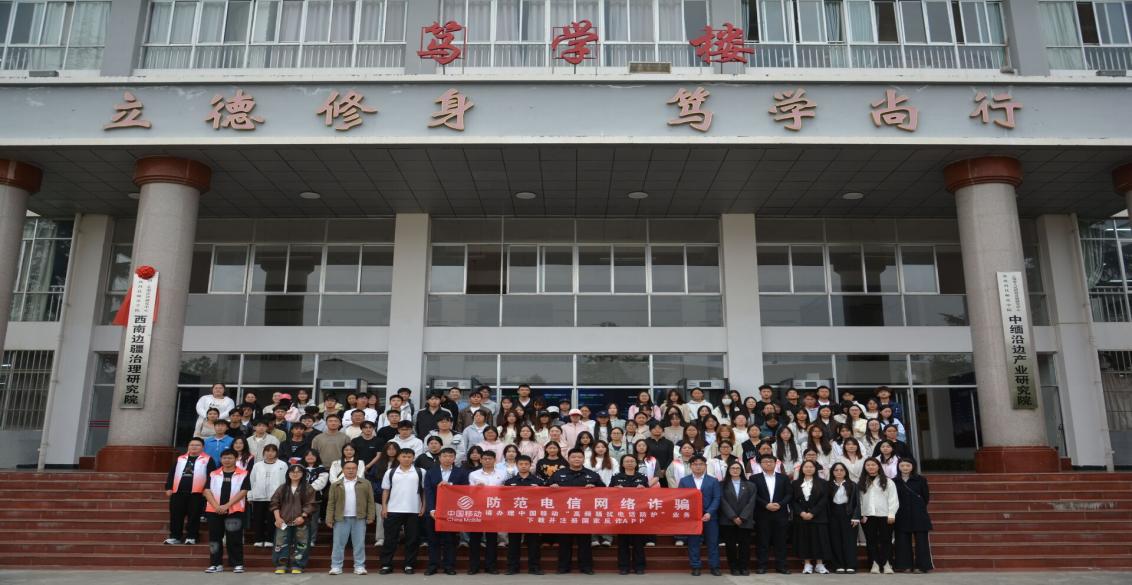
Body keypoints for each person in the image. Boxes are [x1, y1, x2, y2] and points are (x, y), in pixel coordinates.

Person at [548, 448, 605, 574]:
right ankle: (563, 567)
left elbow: (603, 491)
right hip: (564, 514)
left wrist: (595, 487)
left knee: (585, 542)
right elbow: (546, 490)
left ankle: (586, 567)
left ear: (583, 459)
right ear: (568, 459)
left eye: (579, 457)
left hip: (584, 514)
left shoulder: (592, 475)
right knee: (564, 542)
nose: (576, 459)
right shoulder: (558, 474)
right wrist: (552, 487)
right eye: (573, 457)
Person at [202, 449, 249, 574]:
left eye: (230, 458)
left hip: (235, 511)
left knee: (234, 538)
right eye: (224, 458)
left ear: (236, 459)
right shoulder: (213, 474)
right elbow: (206, 491)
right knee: (214, 538)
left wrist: (227, 505)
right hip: (214, 510)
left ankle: (237, 564)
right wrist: (216, 506)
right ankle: (215, 564)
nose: (227, 460)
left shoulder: (244, 474)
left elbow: (244, 491)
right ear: (221, 459)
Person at [379, 448, 425, 575]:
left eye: (409, 456)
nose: (406, 459)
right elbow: (386, 490)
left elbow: (424, 491)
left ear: (413, 458)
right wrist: (384, 507)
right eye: (404, 456)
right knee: (390, 539)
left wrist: (423, 506)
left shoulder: (421, 472)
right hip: (393, 509)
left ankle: (409, 565)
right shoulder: (391, 472)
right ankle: (386, 565)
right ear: (398, 457)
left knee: (412, 539)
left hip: (414, 510)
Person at [326, 460, 376, 575]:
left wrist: (371, 516)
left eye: (353, 468)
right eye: (348, 468)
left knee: (359, 544)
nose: (351, 470)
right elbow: (331, 503)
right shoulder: (336, 485)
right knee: (338, 544)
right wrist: (329, 518)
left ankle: (359, 566)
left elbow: (370, 501)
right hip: (341, 518)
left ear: (357, 470)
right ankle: (336, 566)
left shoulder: (365, 483)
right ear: (343, 470)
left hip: (359, 518)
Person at [424, 447, 469, 575]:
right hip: (434, 511)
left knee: (450, 540)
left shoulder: (461, 472)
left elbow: (465, 490)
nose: (447, 458)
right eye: (444, 456)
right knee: (433, 540)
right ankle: (433, 566)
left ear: (454, 458)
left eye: (450, 456)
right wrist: (431, 509)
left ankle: (449, 566)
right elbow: (428, 491)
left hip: (452, 511)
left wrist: (450, 486)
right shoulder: (431, 472)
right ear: (439, 458)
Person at [164, 437, 216, 545]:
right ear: (188, 446)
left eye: (197, 445)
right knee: (176, 515)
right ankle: (175, 536)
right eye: (192, 445)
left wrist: (207, 489)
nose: (194, 447)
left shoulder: (208, 459)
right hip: (178, 492)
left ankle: (192, 536)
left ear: (202, 447)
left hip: (197, 493)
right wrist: (168, 487)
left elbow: (211, 476)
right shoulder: (180, 458)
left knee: (194, 516)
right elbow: (172, 473)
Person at [679, 455, 722, 576]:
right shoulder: (684, 481)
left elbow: (717, 498)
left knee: (712, 542)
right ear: (690, 466)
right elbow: (681, 498)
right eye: (695, 464)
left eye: (701, 464)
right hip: (692, 517)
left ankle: (714, 566)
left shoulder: (713, 480)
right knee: (693, 542)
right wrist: (690, 513)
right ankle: (695, 566)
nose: (698, 466)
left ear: (705, 466)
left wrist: (709, 512)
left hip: (710, 516)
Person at [269, 464, 315, 574]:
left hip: (302, 521)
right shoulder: (282, 488)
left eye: (298, 472)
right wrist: (277, 518)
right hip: (283, 521)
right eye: (292, 472)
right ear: (288, 474)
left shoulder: (308, 488)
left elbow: (311, 504)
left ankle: (298, 565)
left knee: (302, 544)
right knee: (280, 543)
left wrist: (303, 516)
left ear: (303, 474)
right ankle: (281, 565)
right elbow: (274, 503)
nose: (295, 474)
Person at [467, 449, 508, 574]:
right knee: (475, 539)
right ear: (480, 460)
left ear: (495, 460)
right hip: (478, 508)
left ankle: (491, 566)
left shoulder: (503, 474)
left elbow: (508, 491)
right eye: (485, 459)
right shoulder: (473, 474)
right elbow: (468, 492)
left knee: (492, 539)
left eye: (490, 459)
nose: (487, 461)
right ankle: (474, 566)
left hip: (494, 509)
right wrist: (476, 489)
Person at [609, 454, 650, 574]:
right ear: (622, 464)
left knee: (638, 542)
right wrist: (615, 489)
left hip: (638, 513)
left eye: (632, 461)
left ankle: (639, 567)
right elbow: (609, 493)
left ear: (636, 464)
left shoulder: (642, 477)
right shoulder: (616, 477)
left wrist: (644, 489)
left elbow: (649, 495)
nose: (630, 463)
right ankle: (624, 567)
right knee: (623, 542)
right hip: (622, 514)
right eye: (627, 461)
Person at [503, 454, 543, 575]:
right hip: (515, 517)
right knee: (513, 543)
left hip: (532, 516)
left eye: (526, 464)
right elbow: (505, 499)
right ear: (517, 465)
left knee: (534, 543)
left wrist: (540, 490)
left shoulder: (538, 482)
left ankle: (534, 567)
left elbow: (545, 499)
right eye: (521, 464)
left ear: (530, 465)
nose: (524, 466)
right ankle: (512, 567)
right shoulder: (509, 482)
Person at [752, 453, 792, 575]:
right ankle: (762, 566)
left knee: (781, 541)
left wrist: (780, 504)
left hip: (780, 513)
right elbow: (754, 495)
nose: (768, 463)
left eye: (771, 461)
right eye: (765, 462)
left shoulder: (783, 478)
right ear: (760, 464)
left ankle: (782, 566)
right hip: (762, 513)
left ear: (775, 463)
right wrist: (765, 505)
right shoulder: (754, 478)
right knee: (762, 541)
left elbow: (789, 494)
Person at [859, 457, 900, 574]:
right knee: (871, 541)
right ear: (865, 467)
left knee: (886, 540)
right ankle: (874, 564)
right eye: (868, 465)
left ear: (878, 466)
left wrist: (891, 514)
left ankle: (887, 564)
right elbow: (859, 500)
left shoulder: (888, 481)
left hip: (885, 515)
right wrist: (861, 514)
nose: (871, 467)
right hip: (868, 516)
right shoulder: (862, 482)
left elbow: (893, 499)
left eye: (873, 465)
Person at [791, 459, 831, 574]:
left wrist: (813, 513)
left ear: (815, 469)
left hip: (818, 517)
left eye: (811, 467)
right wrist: (801, 513)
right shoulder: (795, 483)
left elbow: (824, 500)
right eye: (806, 467)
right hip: (801, 517)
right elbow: (793, 501)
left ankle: (819, 564)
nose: (808, 469)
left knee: (820, 540)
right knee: (804, 540)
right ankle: (807, 564)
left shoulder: (823, 483)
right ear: (801, 469)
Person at [893, 457, 933, 573]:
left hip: (918, 514)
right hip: (901, 514)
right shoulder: (894, 481)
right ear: (898, 467)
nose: (905, 468)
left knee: (921, 542)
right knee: (902, 541)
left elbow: (925, 497)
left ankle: (922, 566)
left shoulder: (920, 480)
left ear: (913, 467)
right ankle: (904, 565)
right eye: (902, 466)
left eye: (908, 466)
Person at [719, 460, 755, 576]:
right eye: (732, 468)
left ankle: (744, 567)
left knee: (745, 545)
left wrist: (742, 517)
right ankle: (733, 567)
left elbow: (751, 502)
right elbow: (722, 501)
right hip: (728, 520)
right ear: (728, 470)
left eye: (737, 468)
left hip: (745, 520)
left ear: (741, 470)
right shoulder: (721, 485)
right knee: (730, 546)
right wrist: (733, 516)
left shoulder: (750, 485)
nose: (735, 470)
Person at [248, 443, 288, 548]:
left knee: (272, 519)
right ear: (264, 452)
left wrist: (283, 497)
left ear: (276, 453)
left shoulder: (282, 465)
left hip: (275, 498)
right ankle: (258, 539)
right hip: (258, 496)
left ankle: (270, 539)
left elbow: (285, 482)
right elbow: (251, 481)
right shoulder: (257, 465)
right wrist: (250, 495)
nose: (270, 453)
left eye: (273, 451)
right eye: (267, 451)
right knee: (258, 519)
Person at [827, 462, 861, 574]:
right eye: (836, 470)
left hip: (848, 514)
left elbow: (857, 502)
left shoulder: (852, 485)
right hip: (833, 515)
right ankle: (838, 565)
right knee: (835, 540)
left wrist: (856, 517)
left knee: (849, 541)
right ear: (832, 472)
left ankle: (851, 565)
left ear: (846, 472)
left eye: (841, 470)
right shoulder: (828, 485)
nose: (839, 472)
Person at [301, 450, 329, 546]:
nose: (310, 457)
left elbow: (321, 483)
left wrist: (307, 489)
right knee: (300, 519)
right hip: (299, 498)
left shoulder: (321, 469)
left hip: (315, 499)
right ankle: (299, 539)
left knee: (313, 521)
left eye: (313, 455)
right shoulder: (299, 468)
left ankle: (311, 539)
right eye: (307, 455)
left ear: (317, 457)